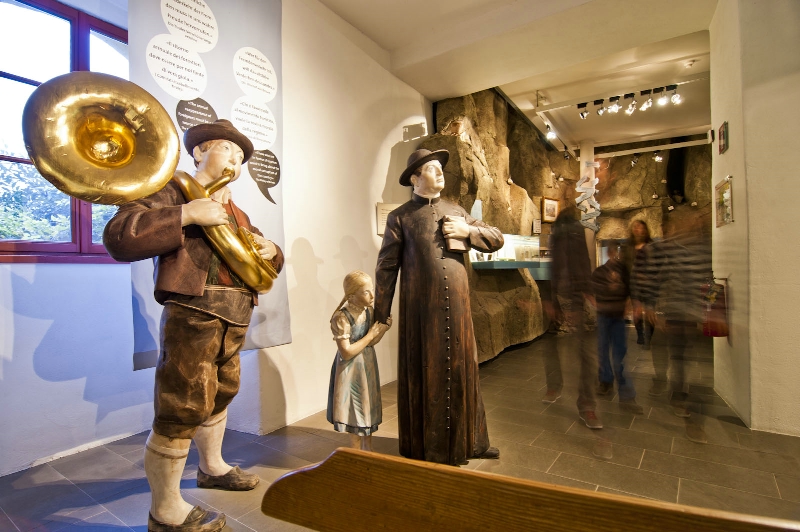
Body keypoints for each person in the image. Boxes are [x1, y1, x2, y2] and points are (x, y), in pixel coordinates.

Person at [104, 119, 284, 531]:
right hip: (194, 312)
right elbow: (119, 235)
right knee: (182, 404)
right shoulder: (170, 191)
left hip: (235, 314)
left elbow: (266, 261)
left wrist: (271, 249)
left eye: (240, 155)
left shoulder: (237, 211)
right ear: (200, 151)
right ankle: (165, 510)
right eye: (227, 149)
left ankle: (212, 467)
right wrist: (185, 213)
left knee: (220, 393)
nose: (235, 160)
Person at [373, 148, 504, 466]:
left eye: (440, 167)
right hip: (422, 313)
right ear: (415, 178)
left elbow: (497, 238)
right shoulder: (400, 217)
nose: (440, 172)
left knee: (464, 370)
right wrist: (381, 314)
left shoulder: (457, 211)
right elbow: (386, 267)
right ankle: (426, 447)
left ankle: (472, 441)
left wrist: (468, 231)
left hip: (458, 311)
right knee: (427, 373)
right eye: (432, 168)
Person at [542, 207, 601, 429]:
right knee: (582, 354)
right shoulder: (566, 232)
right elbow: (565, 266)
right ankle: (583, 403)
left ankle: (581, 401)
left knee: (583, 353)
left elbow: (577, 265)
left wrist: (578, 297)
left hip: (570, 297)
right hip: (567, 297)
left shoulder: (567, 231)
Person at [327, 270, 391, 451]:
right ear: (351, 296)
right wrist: (371, 335)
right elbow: (346, 352)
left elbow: (371, 343)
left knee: (367, 408)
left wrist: (382, 330)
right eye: (366, 292)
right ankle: (355, 452)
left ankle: (367, 450)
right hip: (351, 370)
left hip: (367, 365)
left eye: (372, 290)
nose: (372, 296)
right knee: (354, 412)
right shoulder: (341, 317)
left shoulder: (368, 311)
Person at [592, 244, 644, 415]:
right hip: (604, 316)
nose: (614, 254)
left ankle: (626, 393)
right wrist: (598, 303)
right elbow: (592, 290)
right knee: (603, 350)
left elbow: (631, 290)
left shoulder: (624, 271)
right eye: (612, 251)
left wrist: (634, 306)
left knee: (619, 355)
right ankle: (606, 381)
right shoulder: (600, 272)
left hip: (618, 317)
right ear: (609, 252)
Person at [624, 219, 655, 350]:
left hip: (649, 284)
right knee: (636, 311)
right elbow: (625, 266)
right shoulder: (629, 248)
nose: (639, 230)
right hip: (634, 284)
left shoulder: (651, 247)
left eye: (641, 228)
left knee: (649, 311)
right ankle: (640, 335)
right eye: (636, 227)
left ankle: (648, 338)